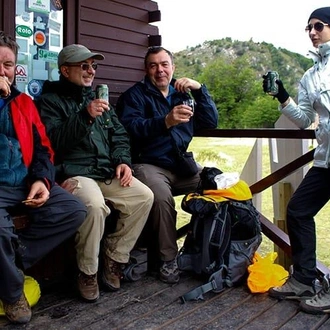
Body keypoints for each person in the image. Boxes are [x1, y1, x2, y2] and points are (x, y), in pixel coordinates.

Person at [35, 44, 154, 303]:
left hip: (103, 172)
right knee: (95, 206)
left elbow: (119, 134)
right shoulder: (49, 101)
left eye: (93, 66)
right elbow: (53, 142)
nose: (91, 71)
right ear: (65, 70)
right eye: (84, 66)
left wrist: (123, 160)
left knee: (143, 196)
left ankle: (114, 256)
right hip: (73, 173)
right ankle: (87, 271)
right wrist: (84, 116)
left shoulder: (97, 98)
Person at [0, 32, 87, 324]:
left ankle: (11, 260)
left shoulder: (24, 103)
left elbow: (43, 149)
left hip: (23, 183)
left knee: (73, 209)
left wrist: (41, 180)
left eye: (8, 65)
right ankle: (13, 294)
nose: (3, 71)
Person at [116, 46, 218, 284]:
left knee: (217, 184)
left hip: (181, 165)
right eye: (153, 65)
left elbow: (210, 121)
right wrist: (166, 121)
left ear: (173, 68)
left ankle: (205, 250)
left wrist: (200, 90)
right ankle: (168, 260)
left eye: (164, 64)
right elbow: (131, 129)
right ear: (146, 69)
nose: (159, 70)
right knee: (162, 198)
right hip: (147, 164)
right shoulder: (134, 96)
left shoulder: (182, 94)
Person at [262, 6, 330, 315]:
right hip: (326, 159)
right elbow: (304, 120)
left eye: (319, 26)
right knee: (299, 210)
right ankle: (303, 279)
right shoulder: (310, 75)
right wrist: (282, 96)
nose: (313, 32)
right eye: (309, 28)